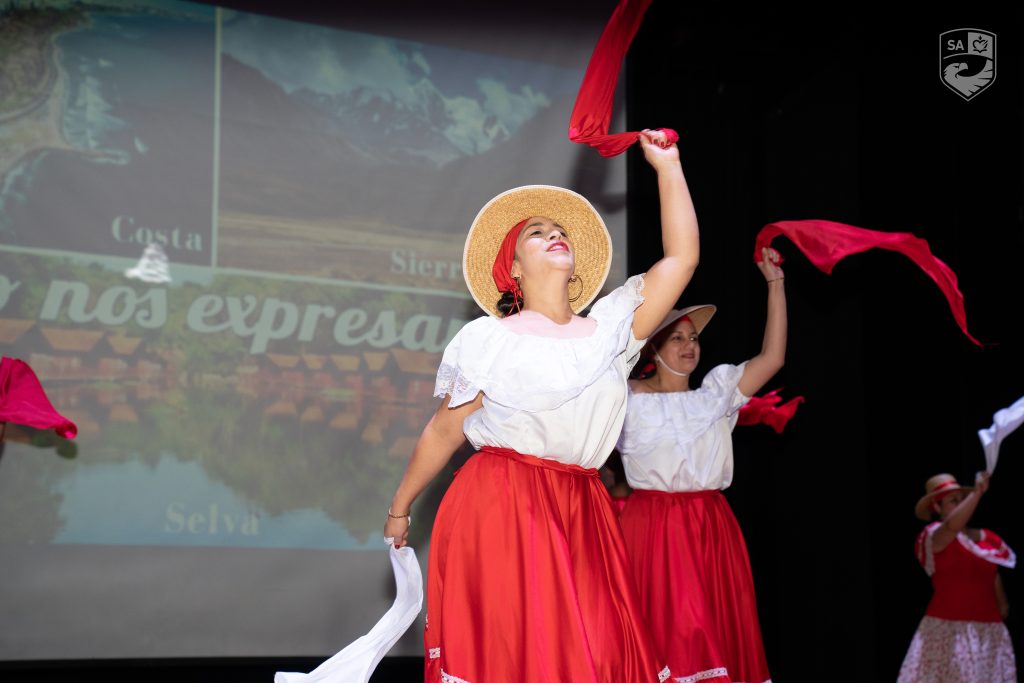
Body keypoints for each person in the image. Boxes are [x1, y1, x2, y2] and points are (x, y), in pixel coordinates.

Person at [383, 129, 699, 683]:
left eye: (560, 231)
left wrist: (667, 166)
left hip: (583, 506)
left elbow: (682, 258)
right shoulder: (490, 339)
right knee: (521, 657)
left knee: (601, 653)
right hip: (504, 502)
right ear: (512, 269)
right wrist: (400, 507)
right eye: (537, 232)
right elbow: (443, 432)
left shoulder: (611, 331)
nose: (554, 235)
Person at [615, 251, 786, 683]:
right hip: (652, 526)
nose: (689, 345)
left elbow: (772, 359)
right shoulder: (625, 398)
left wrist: (775, 284)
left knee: (712, 628)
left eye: (693, 337)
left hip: (709, 525)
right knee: (666, 632)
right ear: (654, 347)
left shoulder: (715, 394)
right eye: (677, 337)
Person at [897, 471, 1016, 682]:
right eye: (954, 501)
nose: (961, 504)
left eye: (962, 499)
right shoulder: (934, 535)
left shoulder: (986, 537)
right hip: (949, 631)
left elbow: (993, 572)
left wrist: (1003, 605)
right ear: (937, 508)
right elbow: (951, 526)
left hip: (988, 632)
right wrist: (977, 493)